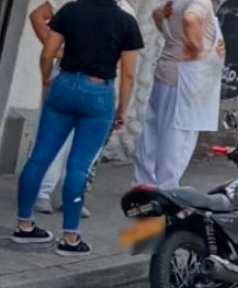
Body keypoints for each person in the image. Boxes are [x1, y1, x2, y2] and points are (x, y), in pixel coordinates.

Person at [12, 0, 143, 255]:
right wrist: (122, 110)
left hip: (64, 85)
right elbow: (128, 75)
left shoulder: (70, 10)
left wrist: (46, 80)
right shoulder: (127, 22)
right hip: (98, 93)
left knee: (39, 157)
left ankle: (24, 225)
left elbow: (47, 53)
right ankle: (70, 238)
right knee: (79, 166)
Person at [135, 0, 224, 190]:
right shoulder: (200, 2)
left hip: (167, 71)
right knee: (178, 137)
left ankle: (143, 184)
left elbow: (158, 14)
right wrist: (198, 50)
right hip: (186, 80)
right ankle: (167, 189)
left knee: (153, 132)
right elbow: (190, 18)